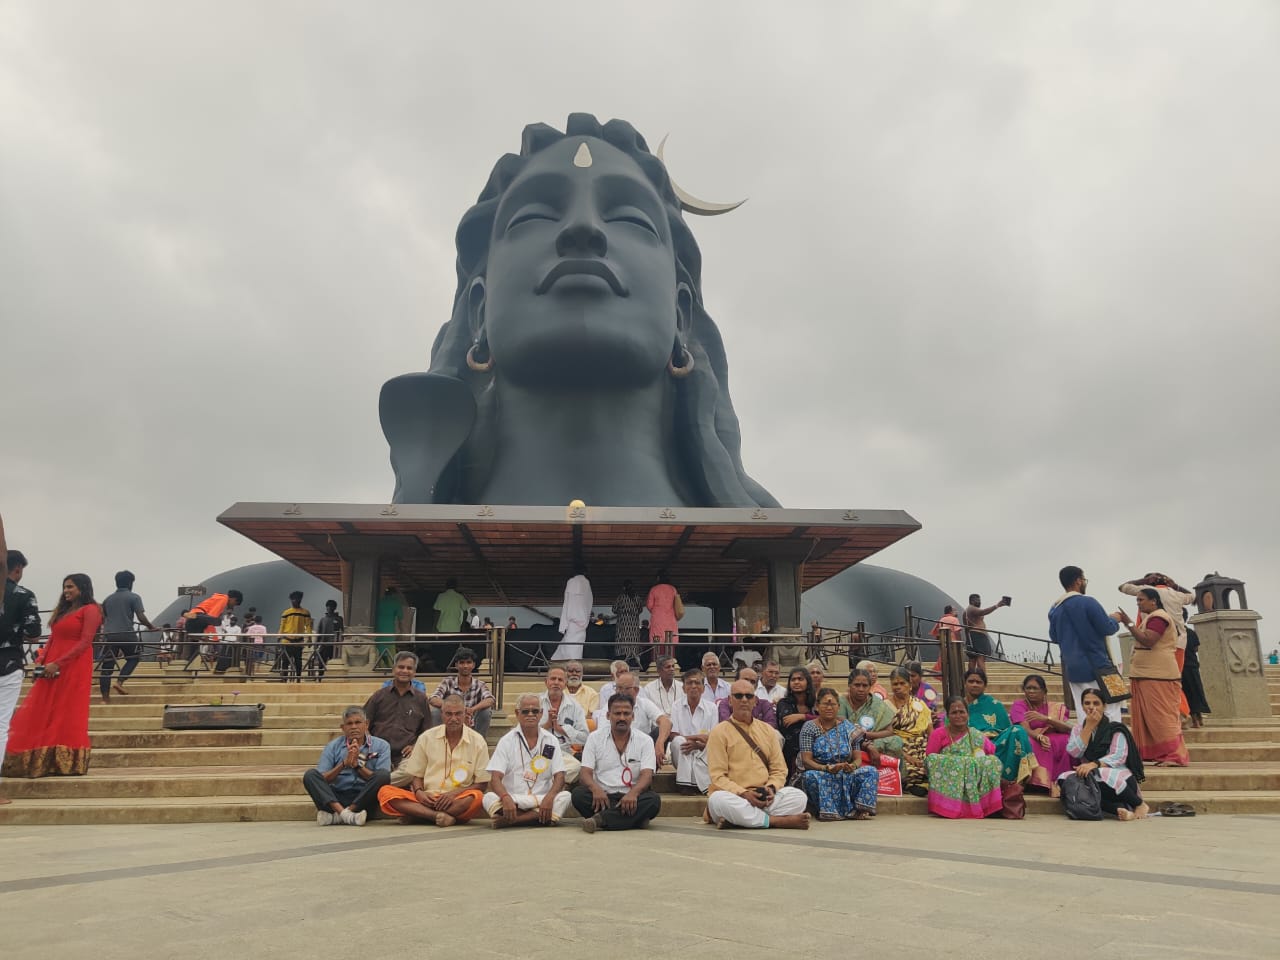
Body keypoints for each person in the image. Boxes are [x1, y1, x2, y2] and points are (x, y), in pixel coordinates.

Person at [3, 573, 100, 779]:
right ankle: (42, 758)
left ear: (82, 588)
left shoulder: (91, 610)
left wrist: (58, 663)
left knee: (67, 709)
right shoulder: (64, 611)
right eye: (65, 587)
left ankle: (65, 760)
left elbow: (85, 642)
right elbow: (52, 640)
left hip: (73, 666)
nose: (66, 591)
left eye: (71, 587)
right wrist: (41, 662)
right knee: (46, 707)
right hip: (52, 666)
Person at [706, 680, 810, 829]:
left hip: (764, 797)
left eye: (748, 696)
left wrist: (771, 789)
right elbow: (718, 776)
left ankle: (739, 820)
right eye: (738, 696)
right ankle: (776, 821)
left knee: (799, 797)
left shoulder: (767, 730)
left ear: (755, 701)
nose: (744, 700)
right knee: (717, 799)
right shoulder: (719, 732)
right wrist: (744, 794)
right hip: (735, 796)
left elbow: (779, 770)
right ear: (730, 700)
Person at [377, 694, 490, 826]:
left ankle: (420, 815)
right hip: (427, 798)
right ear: (441, 714)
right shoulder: (426, 738)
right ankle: (436, 816)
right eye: (449, 714)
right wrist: (419, 793)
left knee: (476, 797)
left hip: (457, 799)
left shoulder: (477, 741)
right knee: (385, 792)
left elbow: (482, 784)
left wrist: (453, 794)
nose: (453, 718)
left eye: (458, 714)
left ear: (465, 714)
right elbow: (416, 775)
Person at [1116, 589, 1190, 767]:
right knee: (1150, 718)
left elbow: (1149, 640)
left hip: (1159, 675)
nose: (1138, 603)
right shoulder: (1152, 617)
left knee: (1161, 717)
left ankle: (1175, 755)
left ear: (1154, 601)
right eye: (1137, 600)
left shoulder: (1159, 617)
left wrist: (1128, 622)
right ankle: (1159, 753)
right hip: (1146, 674)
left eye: (1141, 600)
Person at [575, 693, 662, 832]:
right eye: (617, 713)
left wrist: (633, 793)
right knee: (579, 795)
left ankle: (601, 820)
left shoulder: (645, 740)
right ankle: (634, 819)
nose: (622, 718)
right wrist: (595, 789)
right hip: (603, 797)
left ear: (633, 716)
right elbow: (585, 773)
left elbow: (647, 775)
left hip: (632, 797)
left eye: (626, 713)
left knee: (653, 801)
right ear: (608, 715)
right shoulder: (594, 738)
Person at [1059, 688, 1149, 820]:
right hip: (1091, 776)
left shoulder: (1115, 728)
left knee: (1104, 773)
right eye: (1087, 703)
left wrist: (1094, 764)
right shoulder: (1078, 729)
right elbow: (1074, 752)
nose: (1091, 707)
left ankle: (1140, 804)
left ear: (1104, 706)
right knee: (1064, 778)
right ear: (1082, 706)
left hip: (1118, 776)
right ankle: (1118, 810)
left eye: (1096, 703)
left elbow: (1119, 756)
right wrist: (1088, 727)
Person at [484, 693, 571, 827]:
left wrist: (549, 798)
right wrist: (505, 798)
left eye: (535, 711)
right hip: (514, 799)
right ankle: (539, 818)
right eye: (525, 711)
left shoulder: (551, 740)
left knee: (564, 797)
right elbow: (495, 778)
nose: (531, 714)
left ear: (541, 713)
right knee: (488, 798)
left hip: (541, 799)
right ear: (517, 713)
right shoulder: (506, 741)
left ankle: (513, 820)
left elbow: (559, 776)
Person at [1048, 566, 1123, 721]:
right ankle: (1111, 743)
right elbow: (1107, 627)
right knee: (1110, 708)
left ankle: (1087, 742)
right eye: (1084, 579)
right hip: (1098, 664)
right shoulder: (1088, 602)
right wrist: (1115, 619)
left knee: (1084, 711)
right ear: (1078, 581)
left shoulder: (1055, 608)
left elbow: (1054, 637)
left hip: (1073, 669)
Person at [1120, 573, 1196, 720]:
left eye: (1141, 600)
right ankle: (1181, 712)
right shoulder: (1177, 594)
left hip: (1155, 644)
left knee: (1157, 680)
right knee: (1174, 680)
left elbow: (1123, 587)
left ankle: (1175, 713)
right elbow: (1193, 597)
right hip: (1178, 642)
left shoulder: (1146, 590)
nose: (1139, 603)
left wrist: (1143, 581)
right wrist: (1175, 586)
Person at [799, 687, 878, 821]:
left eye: (833, 704)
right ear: (817, 707)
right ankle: (829, 811)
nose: (829, 707)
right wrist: (826, 768)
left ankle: (858, 810)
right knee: (810, 777)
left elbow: (858, 758)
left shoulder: (847, 727)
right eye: (825, 704)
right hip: (821, 772)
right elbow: (806, 761)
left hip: (845, 772)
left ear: (838, 707)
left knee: (871, 771)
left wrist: (852, 766)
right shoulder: (809, 727)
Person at [303, 706, 391, 825]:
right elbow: (323, 777)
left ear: (366, 724)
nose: (354, 727)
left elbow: (380, 779)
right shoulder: (332, 746)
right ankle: (347, 815)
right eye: (349, 724)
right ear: (343, 728)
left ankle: (340, 816)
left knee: (384, 775)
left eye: (358, 722)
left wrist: (357, 766)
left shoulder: (381, 745)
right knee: (310, 775)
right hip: (336, 797)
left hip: (363, 798)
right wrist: (344, 764)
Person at [1, 550, 42, 803]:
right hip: (7, 663)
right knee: (1, 724)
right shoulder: (23, 595)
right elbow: (34, 633)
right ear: (16, 569)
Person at [925, 695, 1003, 818]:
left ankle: (986, 804)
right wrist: (959, 764)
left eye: (962, 712)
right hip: (948, 781)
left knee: (993, 761)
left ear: (968, 714)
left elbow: (991, 754)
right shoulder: (938, 734)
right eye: (954, 712)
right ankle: (948, 805)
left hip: (975, 781)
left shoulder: (976, 735)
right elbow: (929, 760)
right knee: (934, 759)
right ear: (948, 715)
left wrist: (970, 765)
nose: (958, 716)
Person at [963, 668, 1037, 784]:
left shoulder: (994, 704)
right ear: (965, 684)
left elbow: (1006, 729)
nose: (974, 684)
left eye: (979, 682)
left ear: (984, 685)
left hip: (996, 741)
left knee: (1018, 730)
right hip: (969, 743)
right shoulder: (959, 706)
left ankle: (1011, 781)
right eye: (971, 681)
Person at [363, 652, 432, 771]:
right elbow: (363, 724)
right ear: (394, 670)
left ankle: (379, 781)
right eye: (401, 667)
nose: (405, 671)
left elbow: (427, 731)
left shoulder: (421, 699)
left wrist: (415, 746)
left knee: (410, 772)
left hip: (406, 755)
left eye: (409, 668)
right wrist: (371, 745)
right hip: (377, 752)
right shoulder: (379, 696)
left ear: (414, 672)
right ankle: (382, 780)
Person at [97, 570, 157, 702]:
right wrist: (151, 627)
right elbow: (141, 617)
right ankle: (120, 681)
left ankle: (105, 698)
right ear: (131, 583)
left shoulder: (107, 599)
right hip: (127, 634)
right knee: (134, 658)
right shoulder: (134, 597)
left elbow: (104, 618)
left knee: (107, 667)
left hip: (109, 636)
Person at [1009, 674, 1073, 794]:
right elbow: (1023, 728)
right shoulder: (1020, 705)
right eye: (1028, 688)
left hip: (1051, 736)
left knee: (1066, 740)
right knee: (1031, 742)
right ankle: (1038, 782)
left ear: (1044, 691)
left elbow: (1068, 729)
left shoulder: (1055, 707)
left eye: (1035, 688)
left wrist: (1046, 719)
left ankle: (1061, 780)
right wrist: (1038, 736)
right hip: (1030, 736)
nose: (1031, 691)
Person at [884, 666, 932, 796]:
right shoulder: (886, 706)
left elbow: (930, 732)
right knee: (907, 769)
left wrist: (930, 752)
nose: (898, 687)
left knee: (932, 765)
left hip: (922, 746)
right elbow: (886, 736)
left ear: (909, 685)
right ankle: (914, 785)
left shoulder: (920, 704)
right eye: (895, 684)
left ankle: (922, 785)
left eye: (902, 683)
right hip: (899, 748)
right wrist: (907, 756)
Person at [669, 668, 718, 793]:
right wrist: (696, 739)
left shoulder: (712, 708)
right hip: (682, 753)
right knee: (678, 741)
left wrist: (696, 745)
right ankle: (685, 784)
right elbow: (673, 735)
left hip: (702, 752)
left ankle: (694, 784)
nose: (693, 686)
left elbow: (712, 738)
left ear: (703, 688)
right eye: (689, 683)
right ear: (684, 688)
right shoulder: (676, 706)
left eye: (697, 683)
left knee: (713, 745)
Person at [428, 647, 495, 735]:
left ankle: (479, 743)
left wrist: (472, 709)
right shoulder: (447, 682)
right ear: (456, 665)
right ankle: (438, 740)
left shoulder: (480, 684)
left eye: (468, 662)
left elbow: (490, 700)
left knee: (486, 711)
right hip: (450, 721)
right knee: (435, 711)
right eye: (462, 663)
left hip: (472, 724)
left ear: (473, 665)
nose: (465, 666)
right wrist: (456, 708)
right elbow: (433, 699)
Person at [539, 666, 588, 779]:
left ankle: (549, 783)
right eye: (553, 679)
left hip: (563, 752)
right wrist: (547, 725)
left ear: (565, 684)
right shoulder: (536, 702)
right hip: (539, 750)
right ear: (546, 682)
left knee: (577, 768)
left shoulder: (574, 706)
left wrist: (561, 729)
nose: (556, 682)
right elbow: (525, 732)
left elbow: (585, 737)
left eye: (560, 680)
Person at [611, 672, 671, 763]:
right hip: (616, 749)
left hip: (643, 749)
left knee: (660, 731)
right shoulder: (609, 707)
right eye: (618, 688)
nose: (620, 692)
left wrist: (660, 743)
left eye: (625, 688)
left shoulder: (644, 703)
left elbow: (666, 722)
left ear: (636, 690)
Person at [838, 669, 897, 755]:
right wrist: (862, 741)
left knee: (896, 741)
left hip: (872, 741)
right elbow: (842, 730)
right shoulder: (841, 703)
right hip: (848, 743)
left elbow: (889, 731)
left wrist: (866, 735)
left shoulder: (877, 704)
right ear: (849, 685)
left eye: (865, 686)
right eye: (857, 685)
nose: (861, 689)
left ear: (870, 687)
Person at [180, 589, 242, 666]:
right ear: (233, 599)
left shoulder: (219, 598)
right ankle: (222, 664)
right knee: (217, 625)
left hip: (193, 620)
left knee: (194, 647)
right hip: (197, 619)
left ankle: (190, 663)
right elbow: (211, 618)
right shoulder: (224, 599)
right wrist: (214, 639)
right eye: (235, 604)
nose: (233, 606)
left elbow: (209, 619)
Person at [775, 666, 817, 781]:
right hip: (790, 751)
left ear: (808, 682)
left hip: (814, 751)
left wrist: (803, 717)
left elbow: (825, 720)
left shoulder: (815, 704)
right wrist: (812, 720)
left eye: (800, 679)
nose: (796, 682)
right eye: (793, 680)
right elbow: (787, 723)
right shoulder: (784, 703)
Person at [549, 566, 592, 662]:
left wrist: (563, 624)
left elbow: (566, 603)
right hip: (582, 622)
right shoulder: (586, 583)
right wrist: (586, 619)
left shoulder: (571, 582)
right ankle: (570, 663)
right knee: (575, 647)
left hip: (571, 621)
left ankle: (562, 663)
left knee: (569, 645)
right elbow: (589, 602)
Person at [964, 593, 1010, 672]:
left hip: (973, 636)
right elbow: (983, 612)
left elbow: (966, 627)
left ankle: (971, 676)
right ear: (972, 601)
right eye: (977, 600)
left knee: (973, 658)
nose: (980, 602)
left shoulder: (966, 611)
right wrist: (997, 606)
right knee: (980, 658)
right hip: (978, 636)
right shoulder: (971, 608)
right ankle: (982, 677)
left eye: (980, 600)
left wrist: (968, 640)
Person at [1181, 612, 1210, 728]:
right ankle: (1200, 718)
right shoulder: (1191, 632)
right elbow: (1196, 648)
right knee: (1197, 692)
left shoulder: (1176, 633)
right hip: (1193, 666)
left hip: (1182, 667)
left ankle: (1195, 721)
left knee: (1187, 693)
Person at [277, 591, 313, 683]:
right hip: (287, 641)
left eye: (298, 600)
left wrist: (309, 638)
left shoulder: (305, 612)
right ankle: (284, 679)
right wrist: (278, 637)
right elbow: (282, 626)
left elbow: (308, 626)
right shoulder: (286, 612)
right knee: (285, 661)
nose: (296, 601)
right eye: (294, 600)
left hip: (298, 641)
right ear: (291, 600)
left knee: (298, 661)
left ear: (300, 600)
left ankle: (298, 679)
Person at [645, 571, 681, 659]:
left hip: (657, 619)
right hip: (670, 619)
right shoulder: (673, 589)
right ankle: (670, 663)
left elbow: (649, 605)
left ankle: (656, 664)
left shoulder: (654, 589)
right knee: (670, 641)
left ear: (658, 578)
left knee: (657, 640)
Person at [613, 580, 644, 668]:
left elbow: (614, 609)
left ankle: (623, 663)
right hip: (634, 626)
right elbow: (640, 610)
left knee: (623, 644)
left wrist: (622, 611)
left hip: (623, 625)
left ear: (624, 588)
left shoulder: (621, 597)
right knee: (633, 644)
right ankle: (634, 663)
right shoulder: (637, 598)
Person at [375, 586, 408, 666]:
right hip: (389, 631)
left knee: (378, 650)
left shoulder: (379, 601)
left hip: (377, 631)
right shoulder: (395, 602)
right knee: (390, 652)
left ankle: (380, 667)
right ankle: (390, 669)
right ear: (394, 594)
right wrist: (403, 633)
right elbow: (401, 620)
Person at [905, 660, 942, 725]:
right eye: (907, 676)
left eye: (913, 676)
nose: (910, 679)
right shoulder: (902, 690)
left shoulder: (928, 690)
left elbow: (932, 710)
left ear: (920, 676)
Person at [313, 599, 343, 680]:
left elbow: (342, 631)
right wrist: (316, 644)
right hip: (324, 645)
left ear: (334, 608)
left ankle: (332, 678)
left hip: (334, 646)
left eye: (331, 607)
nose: (329, 608)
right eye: (328, 607)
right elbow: (319, 632)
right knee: (321, 663)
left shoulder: (339, 619)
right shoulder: (323, 620)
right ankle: (320, 678)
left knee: (334, 664)